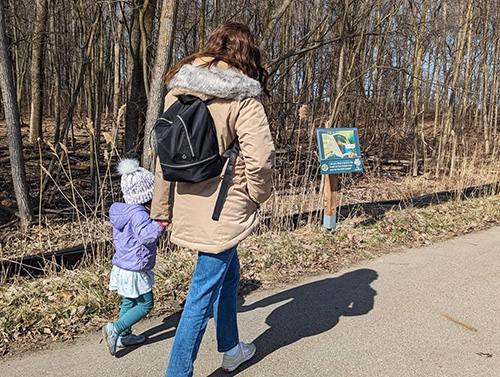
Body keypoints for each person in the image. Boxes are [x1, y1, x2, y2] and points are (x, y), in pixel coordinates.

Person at [151, 22, 275, 377]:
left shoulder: (176, 91)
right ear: (246, 54)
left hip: (189, 203)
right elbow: (261, 159)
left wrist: (162, 208)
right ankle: (178, 372)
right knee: (200, 296)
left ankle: (231, 348)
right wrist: (257, 195)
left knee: (229, 274)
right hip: (224, 208)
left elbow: (163, 156)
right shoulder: (243, 97)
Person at [102, 158, 167, 356]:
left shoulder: (126, 211)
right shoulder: (139, 214)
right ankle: (115, 328)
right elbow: (146, 236)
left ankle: (125, 336)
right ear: (147, 195)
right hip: (135, 268)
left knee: (129, 302)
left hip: (124, 265)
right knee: (146, 304)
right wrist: (161, 224)